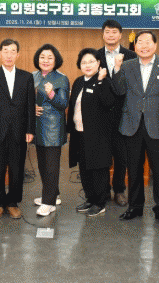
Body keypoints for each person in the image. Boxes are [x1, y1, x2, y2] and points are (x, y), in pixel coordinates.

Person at [112, 30, 159, 224]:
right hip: (132, 124)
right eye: (140, 42)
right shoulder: (127, 66)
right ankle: (135, 207)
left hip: (158, 125)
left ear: (155, 45)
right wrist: (116, 69)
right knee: (134, 169)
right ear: (135, 46)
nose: (143, 45)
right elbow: (119, 91)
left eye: (147, 42)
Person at [0, 39, 36, 220]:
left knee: (17, 170)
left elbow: (30, 106)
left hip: (19, 131)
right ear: (0, 54)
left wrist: (30, 129)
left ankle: (13, 203)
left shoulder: (26, 77)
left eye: (12, 51)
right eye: (5, 51)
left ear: (18, 55)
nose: (9, 55)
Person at [67, 48, 115, 217]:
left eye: (91, 62)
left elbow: (108, 102)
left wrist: (101, 81)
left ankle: (100, 202)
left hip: (98, 135)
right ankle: (90, 198)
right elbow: (73, 106)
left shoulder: (105, 81)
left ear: (98, 63)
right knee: (84, 168)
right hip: (79, 133)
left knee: (98, 169)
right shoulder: (79, 81)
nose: (87, 65)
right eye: (84, 62)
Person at [97, 19, 136, 206]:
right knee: (103, 153)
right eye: (107, 31)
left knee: (121, 154)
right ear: (103, 34)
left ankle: (119, 189)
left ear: (120, 35)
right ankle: (104, 190)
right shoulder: (95, 55)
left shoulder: (131, 55)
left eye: (114, 32)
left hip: (124, 112)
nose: (110, 35)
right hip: (101, 112)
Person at [32, 44, 69, 217]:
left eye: (49, 57)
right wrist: (32, 107)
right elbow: (26, 98)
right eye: (42, 57)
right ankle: (54, 195)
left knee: (51, 167)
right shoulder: (33, 76)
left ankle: (48, 202)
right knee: (42, 164)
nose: (45, 60)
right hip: (37, 126)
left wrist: (52, 94)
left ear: (56, 60)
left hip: (53, 127)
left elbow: (63, 104)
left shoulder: (61, 78)